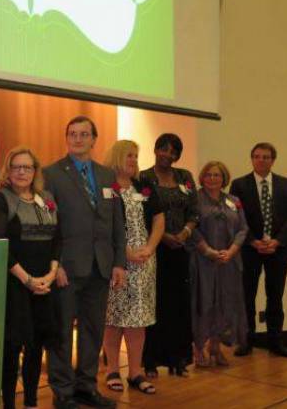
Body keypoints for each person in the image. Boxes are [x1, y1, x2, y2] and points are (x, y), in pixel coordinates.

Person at [42, 116, 126, 409]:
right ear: (67, 139)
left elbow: (117, 222)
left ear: (94, 139)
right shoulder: (51, 174)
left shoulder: (106, 176)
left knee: (93, 330)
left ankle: (86, 387)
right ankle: (63, 392)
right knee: (62, 331)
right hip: (67, 267)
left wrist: (119, 262)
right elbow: (48, 225)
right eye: (72, 134)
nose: (77, 139)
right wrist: (57, 264)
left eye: (84, 134)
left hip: (101, 267)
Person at [0, 146, 60, 409]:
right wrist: (27, 279)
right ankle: (8, 404)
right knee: (12, 348)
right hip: (15, 283)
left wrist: (50, 275)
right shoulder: (1, 199)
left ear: (35, 171)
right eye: (16, 166)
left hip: (44, 283)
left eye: (27, 167)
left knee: (36, 346)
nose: (21, 172)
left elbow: (57, 240)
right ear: (8, 170)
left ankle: (30, 402)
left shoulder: (46, 197)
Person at [102, 140, 164, 395]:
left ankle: (136, 372)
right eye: (129, 155)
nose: (134, 160)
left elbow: (159, 220)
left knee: (138, 318)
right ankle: (112, 370)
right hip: (116, 261)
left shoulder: (145, 187)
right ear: (117, 156)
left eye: (136, 156)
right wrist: (124, 252)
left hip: (145, 262)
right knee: (113, 317)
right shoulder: (106, 188)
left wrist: (149, 248)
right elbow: (101, 225)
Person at [230, 143, 287, 358]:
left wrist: (277, 241)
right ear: (251, 159)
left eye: (266, 157)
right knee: (247, 296)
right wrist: (251, 241)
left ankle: (275, 342)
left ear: (273, 160)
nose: (261, 160)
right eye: (257, 156)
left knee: (275, 297)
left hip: (279, 249)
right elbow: (236, 219)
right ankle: (247, 341)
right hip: (250, 250)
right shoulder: (239, 185)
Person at [140, 133, 198, 377]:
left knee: (179, 305)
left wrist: (184, 233)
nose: (167, 154)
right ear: (155, 150)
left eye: (173, 151)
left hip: (181, 250)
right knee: (155, 304)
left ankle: (178, 360)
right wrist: (163, 236)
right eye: (163, 149)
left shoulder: (185, 177)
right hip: (154, 249)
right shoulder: (143, 178)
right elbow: (142, 215)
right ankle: (151, 361)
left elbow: (194, 212)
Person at [190, 161, 249, 367]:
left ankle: (215, 347)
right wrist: (208, 251)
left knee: (224, 305)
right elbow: (191, 228)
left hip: (228, 262)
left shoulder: (234, 200)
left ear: (224, 178)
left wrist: (231, 251)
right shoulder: (195, 199)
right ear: (202, 177)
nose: (212, 179)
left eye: (217, 175)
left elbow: (243, 229)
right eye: (208, 175)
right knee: (204, 303)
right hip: (203, 261)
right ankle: (198, 348)